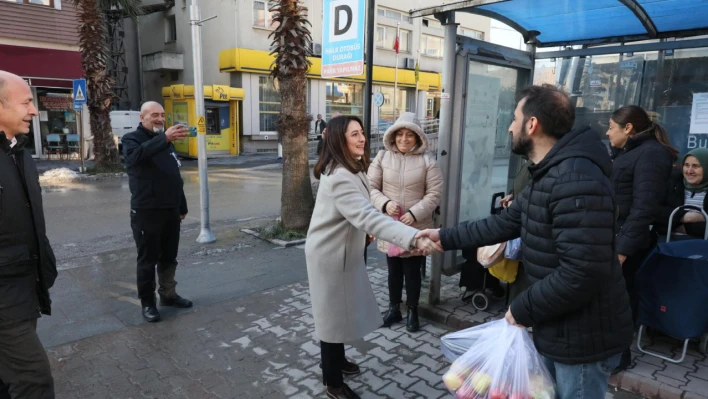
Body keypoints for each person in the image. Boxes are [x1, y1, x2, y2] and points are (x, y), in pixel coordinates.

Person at [417, 85, 634, 399]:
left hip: (584, 339)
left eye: (514, 118)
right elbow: (506, 221)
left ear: (532, 125)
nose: (509, 126)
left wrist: (521, 309)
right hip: (560, 325)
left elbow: (582, 272)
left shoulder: (575, 178)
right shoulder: (551, 172)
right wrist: (443, 237)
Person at [305, 115, 439, 399]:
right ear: (339, 138)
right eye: (354, 134)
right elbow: (367, 215)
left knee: (339, 312)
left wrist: (362, 230)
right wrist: (413, 235)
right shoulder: (341, 175)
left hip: (343, 252)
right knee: (331, 318)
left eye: (362, 133)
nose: (362, 139)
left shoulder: (350, 167)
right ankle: (333, 383)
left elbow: (359, 211)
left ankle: (337, 361)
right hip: (330, 258)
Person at [0, 71, 57, 398]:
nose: (34, 111)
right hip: (4, 298)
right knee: (33, 382)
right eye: (26, 102)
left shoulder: (18, 151)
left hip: (24, 288)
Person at [606, 105, 676, 372]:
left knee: (621, 299)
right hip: (616, 236)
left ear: (628, 128)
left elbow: (643, 208)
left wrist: (623, 249)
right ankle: (608, 351)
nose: (607, 132)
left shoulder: (651, 154)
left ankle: (619, 356)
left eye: (612, 127)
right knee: (612, 297)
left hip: (628, 241)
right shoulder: (630, 152)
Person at [367, 112, 443, 332]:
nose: (403, 139)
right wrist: (384, 203)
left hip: (416, 226)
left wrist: (415, 213)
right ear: (393, 136)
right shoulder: (382, 157)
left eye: (409, 135)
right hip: (390, 226)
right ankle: (394, 309)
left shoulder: (428, 160)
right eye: (399, 134)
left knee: (412, 271)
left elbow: (435, 193)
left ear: (417, 137)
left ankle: (412, 310)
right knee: (393, 270)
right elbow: (371, 187)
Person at [123, 101, 193, 323]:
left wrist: (181, 206)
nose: (160, 119)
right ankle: (148, 303)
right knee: (147, 260)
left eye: (162, 115)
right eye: (154, 115)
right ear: (142, 117)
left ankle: (168, 295)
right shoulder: (132, 139)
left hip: (170, 211)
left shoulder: (166, 143)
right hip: (147, 212)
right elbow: (135, 158)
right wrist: (165, 139)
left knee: (169, 257)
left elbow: (174, 177)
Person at [657, 148, 708, 237]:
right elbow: (654, 211)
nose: (689, 171)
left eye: (696, 166)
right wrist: (684, 217)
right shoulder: (672, 183)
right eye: (686, 165)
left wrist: (685, 228)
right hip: (667, 245)